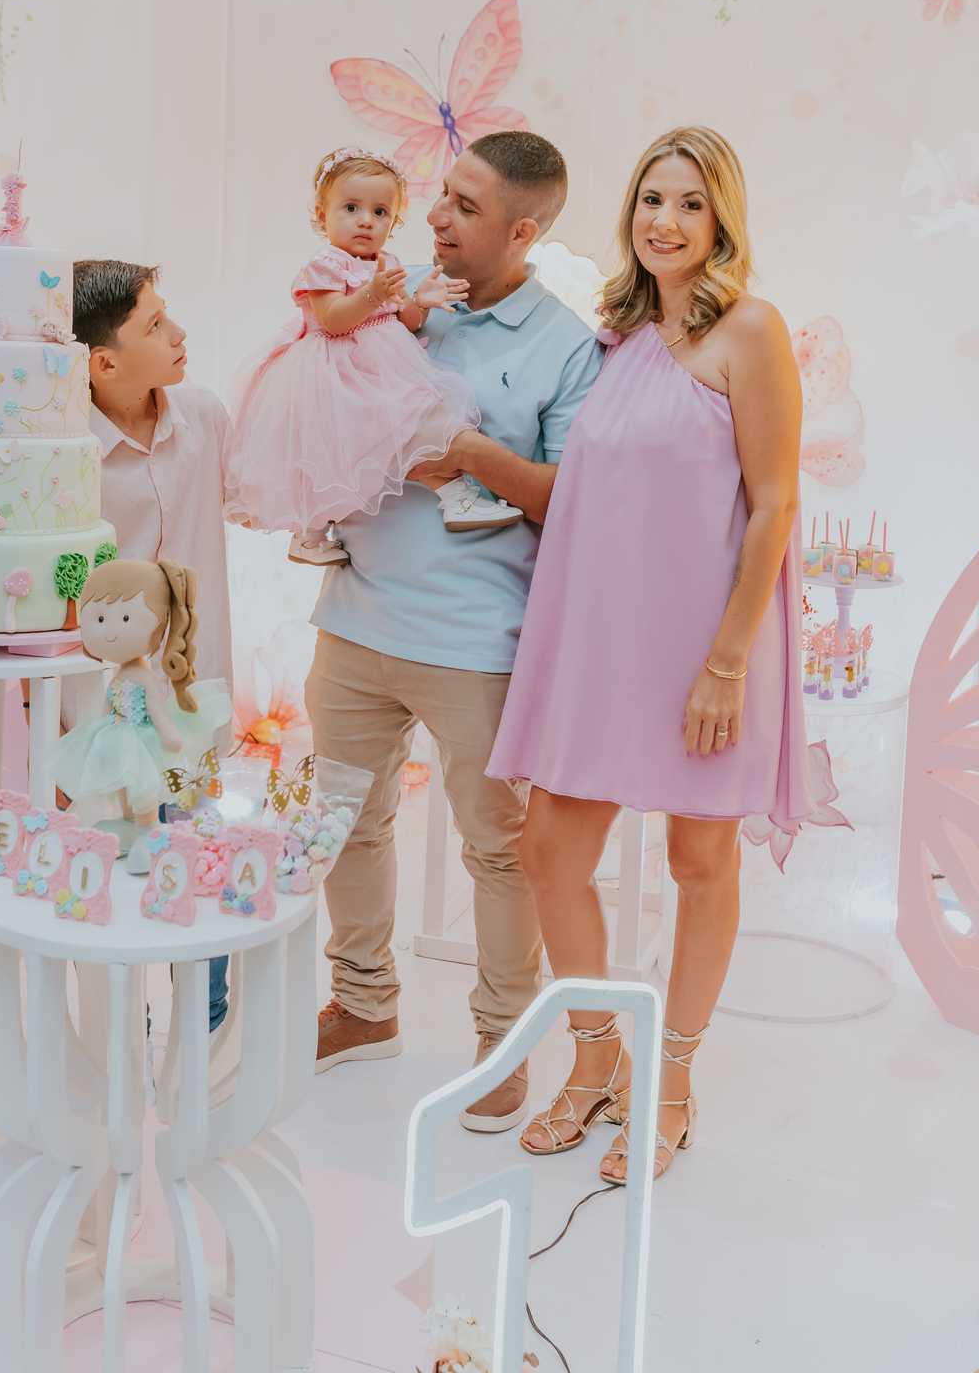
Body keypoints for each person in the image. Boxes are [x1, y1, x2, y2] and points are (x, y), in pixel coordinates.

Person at [486, 125, 812, 1180]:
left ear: (721, 221)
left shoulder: (750, 332)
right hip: (608, 642)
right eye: (650, 201)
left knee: (698, 860)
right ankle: (596, 1062)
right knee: (549, 853)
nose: (664, 221)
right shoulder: (616, 341)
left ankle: (671, 1079)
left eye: (687, 204)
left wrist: (726, 661)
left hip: (710, 648)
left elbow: (775, 507)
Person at [304, 130, 603, 1131]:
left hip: (476, 642)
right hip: (353, 622)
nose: (435, 215)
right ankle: (361, 1004)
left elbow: (574, 501)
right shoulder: (392, 307)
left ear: (523, 230)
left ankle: (502, 1039)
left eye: (466, 207)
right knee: (344, 821)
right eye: (442, 193)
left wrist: (467, 450)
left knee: (499, 853)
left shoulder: (565, 345)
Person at [224, 144, 523, 567]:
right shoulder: (325, 264)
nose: (366, 220)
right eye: (351, 208)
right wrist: (372, 293)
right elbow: (332, 320)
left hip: (382, 362)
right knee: (327, 455)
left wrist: (420, 300)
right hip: (334, 372)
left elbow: (407, 321)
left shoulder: (387, 262)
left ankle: (457, 499)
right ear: (322, 214)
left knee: (414, 427)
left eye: (380, 212)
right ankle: (307, 535)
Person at [73, 259, 234, 1030]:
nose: (178, 334)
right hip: (102, 715)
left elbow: (267, 493)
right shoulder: (65, 452)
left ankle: (204, 1020)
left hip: (195, 696)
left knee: (197, 855)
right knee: (110, 867)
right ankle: (117, 1028)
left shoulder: (203, 417)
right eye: (155, 325)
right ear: (103, 362)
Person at [44, 558, 232, 874]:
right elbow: (109, 702)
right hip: (115, 734)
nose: (111, 631)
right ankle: (130, 822)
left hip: (142, 736)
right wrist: (98, 729)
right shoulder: (120, 673)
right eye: (100, 618)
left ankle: (149, 828)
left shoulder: (143, 675)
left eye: (126, 617)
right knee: (122, 781)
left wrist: (169, 733)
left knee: (143, 785)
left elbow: (156, 707)